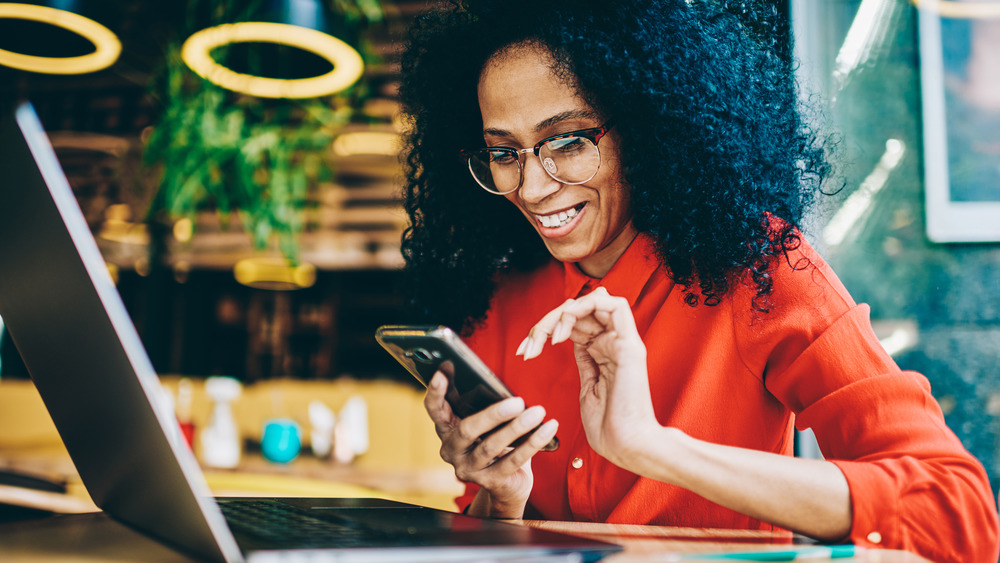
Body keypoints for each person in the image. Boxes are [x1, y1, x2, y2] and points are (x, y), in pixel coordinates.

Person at [395, 1, 1000, 562]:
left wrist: (654, 448)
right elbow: (496, 542)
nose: (531, 187)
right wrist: (498, 500)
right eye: (504, 153)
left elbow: (957, 515)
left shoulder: (755, 266)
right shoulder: (498, 298)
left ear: (649, 125)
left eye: (568, 142)